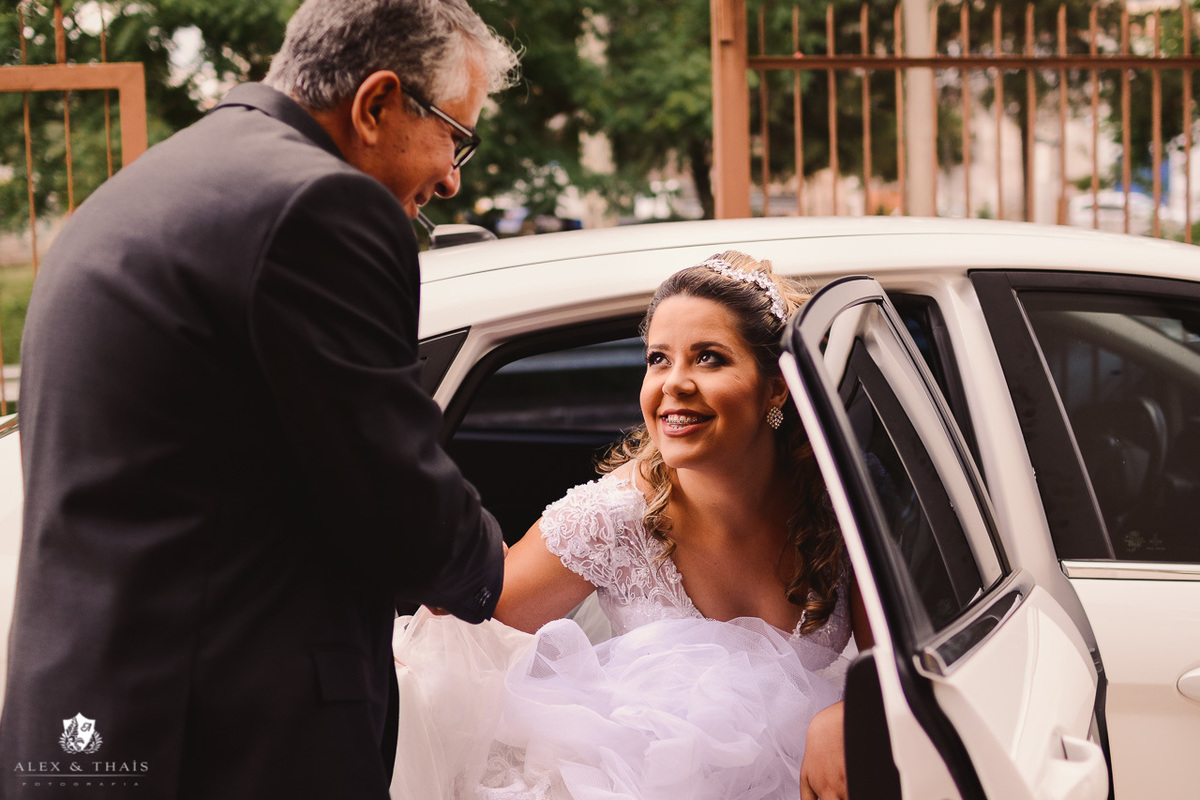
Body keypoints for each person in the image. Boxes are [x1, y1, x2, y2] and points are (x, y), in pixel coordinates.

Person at [0, 1, 518, 798]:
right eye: (457, 134)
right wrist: (487, 570)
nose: (453, 176)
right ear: (377, 104)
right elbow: (394, 494)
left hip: (92, 725)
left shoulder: (144, 188)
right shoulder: (322, 206)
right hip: (222, 744)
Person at [391, 252, 872, 800]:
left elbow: (892, 663)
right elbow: (467, 624)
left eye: (709, 358)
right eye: (658, 359)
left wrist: (846, 714)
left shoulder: (840, 502)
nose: (674, 384)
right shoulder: (609, 517)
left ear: (777, 387)